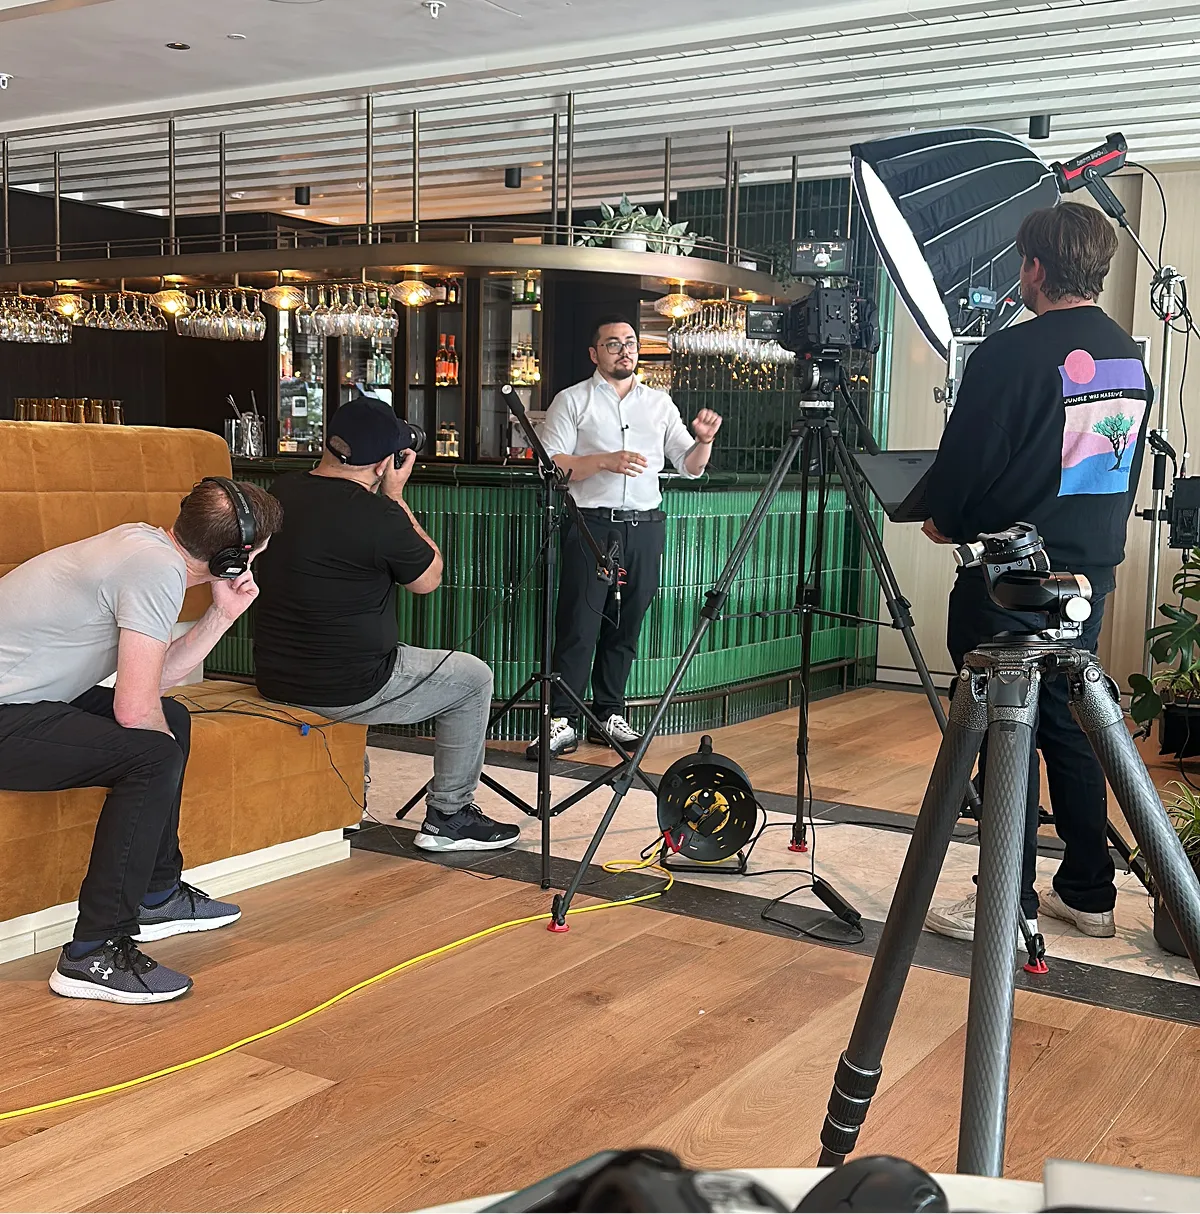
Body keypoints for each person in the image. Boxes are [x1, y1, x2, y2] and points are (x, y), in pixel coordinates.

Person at [921, 202, 1152, 944]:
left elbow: (962, 468)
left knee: (1000, 732)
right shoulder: (1127, 356)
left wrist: (944, 519)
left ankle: (1008, 905)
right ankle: (1088, 893)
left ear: (1036, 268)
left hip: (1009, 580)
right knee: (1070, 724)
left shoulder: (1007, 355)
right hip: (1089, 578)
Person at [0, 477, 282, 1004]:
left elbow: (157, 684)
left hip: (31, 700)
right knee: (153, 754)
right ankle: (94, 951)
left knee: (171, 722)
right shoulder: (155, 571)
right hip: (7, 715)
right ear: (234, 557)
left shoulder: (147, 546)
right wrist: (160, 762)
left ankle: (157, 891)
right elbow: (133, 709)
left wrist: (222, 613)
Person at [252, 396, 519, 853]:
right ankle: (449, 816)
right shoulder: (378, 516)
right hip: (351, 686)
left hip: (275, 677)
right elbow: (429, 579)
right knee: (473, 678)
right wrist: (396, 498)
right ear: (384, 464)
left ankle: (349, 798)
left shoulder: (281, 490)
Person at [528, 315, 722, 759]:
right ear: (595, 354)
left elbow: (690, 466)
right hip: (591, 524)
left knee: (626, 624)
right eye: (613, 344)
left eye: (630, 343)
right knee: (579, 623)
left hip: (646, 526)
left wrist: (704, 441)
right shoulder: (571, 400)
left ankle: (608, 714)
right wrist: (603, 461)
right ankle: (561, 718)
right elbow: (551, 464)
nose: (624, 350)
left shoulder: (658, 403)